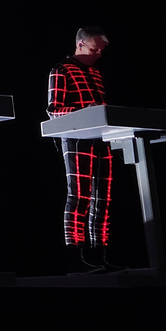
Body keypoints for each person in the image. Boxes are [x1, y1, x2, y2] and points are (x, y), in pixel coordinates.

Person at [48, 26, 119, 272]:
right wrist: (84, 111)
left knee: (102, 199)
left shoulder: (96, 73)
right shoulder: (61, 69)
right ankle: (74, 257)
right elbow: (53, 111)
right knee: (79, 197)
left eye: (101, 50)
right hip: (76, 139)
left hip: (101, 138)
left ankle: (99, 255)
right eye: (94, 49)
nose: (99, 54)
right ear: (80, 44)